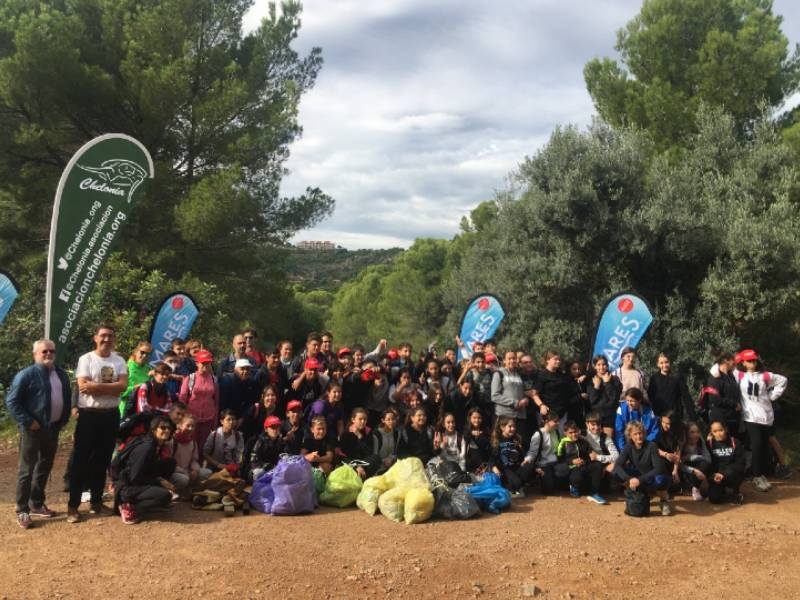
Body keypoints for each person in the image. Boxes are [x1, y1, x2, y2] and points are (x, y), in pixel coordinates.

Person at [5, 339, 71, 529]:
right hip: (32, 431)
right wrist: (28, 421)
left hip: (53, 429)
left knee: (44, 467)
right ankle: (22, 509)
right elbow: (12, 402)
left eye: (51, 351)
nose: (49, 354)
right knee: (26, 470)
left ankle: (36, 502)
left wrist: (62, 420)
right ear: (35, 354)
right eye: (44, 352)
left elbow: (65, 399)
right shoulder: (26, 375)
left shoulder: (61, 374)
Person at [68, 324, 129, 523]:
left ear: (114, 339)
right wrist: (109, 388)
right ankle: (73, 506)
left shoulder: (119, 361)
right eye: (102, 335)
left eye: (110, 336)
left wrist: (96, 386)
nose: (106, 339)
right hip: (88, 416)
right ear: (95, 337)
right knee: (80, 461)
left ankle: (96, 502)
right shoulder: (86, 359)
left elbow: (122, 387)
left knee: (102, 461)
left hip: (110, 416)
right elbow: (83, 386)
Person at [732, 349, 788, 491]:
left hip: (766, 416)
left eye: (754, 360)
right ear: (743, 363)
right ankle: (756, 476)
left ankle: (761, 474)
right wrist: (735, 358)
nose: (752, 362)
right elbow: (716, 369)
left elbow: (783, 380)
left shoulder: (765, 376)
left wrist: (773, 396)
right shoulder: (739, 375)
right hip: (750, 416)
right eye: (749, 360)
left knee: (762, 446)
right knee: (756, 444)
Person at [112, 415, 176, 525]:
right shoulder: (147, 447)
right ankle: (129, 506)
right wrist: (159, 481)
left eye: (169, 428)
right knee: (165, 496)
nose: (167, 430)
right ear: (154, 429)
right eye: (163, 428)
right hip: (127, 486)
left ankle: (149, 498)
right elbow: (134, 477)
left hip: (135, 480)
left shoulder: (153, 443)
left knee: (170, 463)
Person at [613, 421, 673, 516]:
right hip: (637, 475)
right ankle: (633, 495)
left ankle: (663, 501)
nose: (638, 436)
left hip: (651, 476)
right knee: (615, 472)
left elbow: (659, 468)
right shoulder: (628, 446)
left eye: (640, 433)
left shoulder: (652, 446)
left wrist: (640, 480)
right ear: (630, 436)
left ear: (644, 433)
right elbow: (618, 465)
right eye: (635, 434)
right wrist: (629, 479)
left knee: (661, 479)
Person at [555, 421, 608, 504]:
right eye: (570, 432)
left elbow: (590, 452)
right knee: (576, 476)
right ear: (565, 433)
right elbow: (560, 459)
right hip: (572, 468)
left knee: (597, 465)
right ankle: (573, 486)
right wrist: (572, 461)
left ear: (578, 431)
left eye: (575, 431)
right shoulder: (562, 443)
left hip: (584, 465)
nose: (574, 434)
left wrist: (591, 455)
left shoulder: (583, 441)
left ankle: (594, 493)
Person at [179, 349, 219, 449]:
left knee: (204, 446)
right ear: (197, 363)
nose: (206, 365)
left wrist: (215, 422)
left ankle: (200, 464)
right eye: (203, 363)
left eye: (208, 363)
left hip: (208, 418)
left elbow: (216, 402)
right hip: (191, 419)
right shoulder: (190, 378)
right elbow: (182, 399)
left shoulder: (214, 379)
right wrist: (181, 420)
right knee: (189, 444)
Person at [490, 415, 535, 497]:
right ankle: (512, 488)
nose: (513, 429)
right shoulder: (497, 440)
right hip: (505, 469)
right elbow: (492, 459)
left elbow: (522, 455)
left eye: (514, 426)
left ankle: (517, 487)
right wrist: (495, 468)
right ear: (502, 427)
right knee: (516, 482)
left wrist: (525, 461)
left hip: (516, 467)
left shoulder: (516, 439)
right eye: (510, 426)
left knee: (530, 466)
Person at [491, 351, 530, 443]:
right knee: (502, 443)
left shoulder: (519, 374)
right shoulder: (499, 373)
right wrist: (514, 403)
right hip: (504, 416)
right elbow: (494, 396)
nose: (512, 361)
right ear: (504, 360)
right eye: (509, 358)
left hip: (520, 416)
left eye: (514, 358)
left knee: (519, 443)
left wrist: (526, 399)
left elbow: (523, 392)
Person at [170, 414, 211, 498]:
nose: (190, 429)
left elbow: (194, 460)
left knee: (207, 473)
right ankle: (175, 490)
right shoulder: (172, 441)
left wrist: (195, 470)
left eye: (193, 426)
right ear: (180, 426)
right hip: (174, 472)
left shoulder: (192, 442)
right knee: (184, 479)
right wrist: (185, 472)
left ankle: (188, 489)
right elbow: (169, 464)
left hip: (187, 471)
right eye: (188, 425)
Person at [646, 353, 695, 421]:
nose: (664, 365)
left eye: (666, 362)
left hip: (675, 415)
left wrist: (693, 417)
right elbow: (651, 397)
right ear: (657, 364)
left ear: (669, 362)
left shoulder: (677, 377)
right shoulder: (654, 378)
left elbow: (686, 397)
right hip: (659, 416)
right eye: (661, 363)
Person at [707, 420, 745, 504]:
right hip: (716, 476)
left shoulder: (734, 442)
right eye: (715, 431)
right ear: (711, 432)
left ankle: (735, 490)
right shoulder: (709, 444)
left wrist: (724, 474)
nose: (719, 433)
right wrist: (713, 475)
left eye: (721, 430)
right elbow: (708, 463)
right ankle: (721, 490)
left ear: (726, 429)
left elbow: (740, 462)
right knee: (714, 498)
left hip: (731, 474)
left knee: (732, 472)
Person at [531, 350, 569, 433]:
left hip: (562, 414)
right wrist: (541, 405)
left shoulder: (561, 374)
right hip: (548, 414)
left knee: (560, 438)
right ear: (547, 360)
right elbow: (534, 394)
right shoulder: (541, 375)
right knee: (547, 438)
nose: (558, 361)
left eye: (559, 360)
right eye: (555, 359)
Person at [524, 413, 561, 494]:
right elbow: (532, 452)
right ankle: (538, 477)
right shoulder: (538, 434)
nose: (558, 423)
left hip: (555, 463)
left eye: (558, 421)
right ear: (547, 421)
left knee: (564, 473)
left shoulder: (557, 432)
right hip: (543, 464)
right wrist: (527, 460)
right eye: (555, 421)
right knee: (549, 490)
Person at [587, 356, 622, 440]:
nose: (601, 367)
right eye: (598, 364)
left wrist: (607, 383)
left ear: (607, 365)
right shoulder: (591, 380)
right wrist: (596, 387)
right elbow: (592, 400)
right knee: (595, 443)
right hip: (595, 416)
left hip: (609, 416)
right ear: (595, 366)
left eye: (604, 364)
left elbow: (614, 399)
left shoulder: (615, 380)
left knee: (607, 442)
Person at [339, 408, 380, 478]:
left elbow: (368, 452)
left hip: (363, 461)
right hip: (351, 462)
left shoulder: (368, 432)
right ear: (353, 420)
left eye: (365, 419)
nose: (363, 421)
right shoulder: (346, 434)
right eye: (360, 419)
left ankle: (362, 477)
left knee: (375, 458)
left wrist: (360, 436)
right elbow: (344, 455)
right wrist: (356, 466)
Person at [242, 416, 284, 483]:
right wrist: (269, 466)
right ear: (266, 429)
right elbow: (254, 461)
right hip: (256, 469)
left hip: (272, 469)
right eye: (273, 427)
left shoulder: (279, 441)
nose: (275, 430)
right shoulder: (260, 441)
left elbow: (280, 456)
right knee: (259, 473)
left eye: (277, 427)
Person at [219, 358, 260, 425]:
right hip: (227, 420)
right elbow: (222, 404)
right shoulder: (227, 381)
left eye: (247, 369)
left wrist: (242, 418)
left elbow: (251, 403)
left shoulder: (251, 383)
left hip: (242, 419)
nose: (245, 371)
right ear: (235, 370)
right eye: (242, 369)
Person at [584, 412, 619, 484]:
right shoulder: (581, 435)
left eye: (598, 425)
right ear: (587, 424)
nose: (596, 427)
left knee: (617, 465)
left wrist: (598, 458)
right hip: (586, 466)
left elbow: (616, 456)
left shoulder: (606, 437)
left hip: (601, 466)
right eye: (593, 425)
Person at [120, 341, 153, 417]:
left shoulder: (149, 369)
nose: (144, 356)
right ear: (136, 352)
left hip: (142, 409)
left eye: (148, 354)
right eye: (142, 352)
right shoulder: (126, 367)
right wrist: (136, 387)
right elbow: (119, 393)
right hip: (126, 408)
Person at [680, 421, 711, 501]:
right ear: (686, 434)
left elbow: (708, 459)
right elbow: (679, 464)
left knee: (705, 464)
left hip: (699, 470)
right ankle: (686, 487)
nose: (696, 435)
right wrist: (694, 470)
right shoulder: (682, 444)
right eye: (692, 432)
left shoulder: (700, 441)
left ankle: (696, 488)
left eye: (697, 432)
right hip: (686, 471)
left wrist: (693, 457)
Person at [654, 411, 683, 490]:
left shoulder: (678, 433)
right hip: (659, 457)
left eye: (669, 424)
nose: (667, 426)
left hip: (672, 460)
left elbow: (678, 452)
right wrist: (665, 454)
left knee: (675, 481)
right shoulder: (656, 430)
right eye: (664, 423)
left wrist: (675, 471)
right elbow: (652, 447)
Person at [371, 407, 401, 473]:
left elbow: (397, 452)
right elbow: (374, 454)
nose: (391, 422)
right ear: (383, 420)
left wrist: (391, 458)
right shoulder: (376, 434)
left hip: (392, 464)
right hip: (379, 466)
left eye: (393, 419)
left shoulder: (397, 433)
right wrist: (384, 461)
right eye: (388, 419)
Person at [464, 408, 491, 474]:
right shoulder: (466, 430)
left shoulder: (486, 430)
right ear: (470, 418)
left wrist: (479, 436)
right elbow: (465, 440)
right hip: (470, 463)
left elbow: (487, 446)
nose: (477, 420)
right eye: (474, 418)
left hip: (483, 462)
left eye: (479, 418)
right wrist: (471, 434)